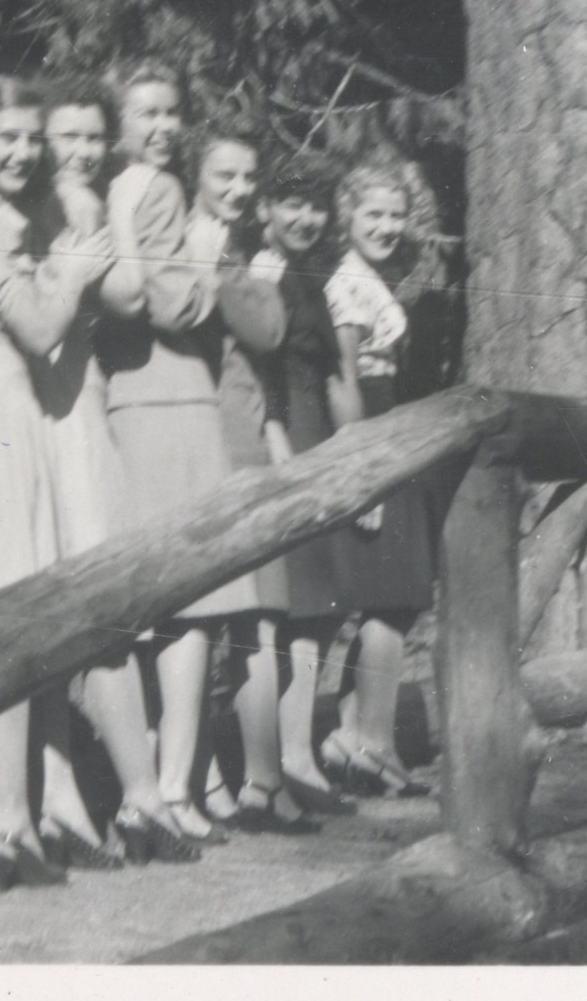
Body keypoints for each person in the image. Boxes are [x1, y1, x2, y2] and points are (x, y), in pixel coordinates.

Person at [33, 78, 202, 866]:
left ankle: (122, 795)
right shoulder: (65, 205)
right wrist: (121, 224)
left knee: (93, 607)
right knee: (59, 606)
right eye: (66, 137)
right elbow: (133, 293)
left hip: (72, 406)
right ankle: (79, 794)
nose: (81, 151)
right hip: (39, 414)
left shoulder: (88, 201)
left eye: (92, 138)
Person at [0, 75, 116, 890]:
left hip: (24, 426)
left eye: (29, 137)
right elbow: (42, 327)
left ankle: (50, 804)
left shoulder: (10, 215)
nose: (20, 152)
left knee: (41, 621)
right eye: (4, 139)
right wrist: (77, 267)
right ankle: (6, 816)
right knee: (13, 624)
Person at [95, 59, 234, 845]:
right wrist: (206, 263)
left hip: (136, 395)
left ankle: (161, 785)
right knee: (193, 602)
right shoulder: (160, 192)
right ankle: (170, 787)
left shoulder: (123, 192)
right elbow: (170, 302)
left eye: (169, 112)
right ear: (120, 124)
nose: (161, 127)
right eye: (144, 112)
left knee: (165, 603)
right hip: (169, 397)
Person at [186, 128, 315, 835]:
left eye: (245, 178)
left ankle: (251, 778)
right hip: (211, 439)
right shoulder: (202, 244)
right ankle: (232, 778)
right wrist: (247, 281)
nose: (237, 190)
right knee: (227, 620)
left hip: (244, 432)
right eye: (222, 175)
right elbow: (264, 331)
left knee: (254, 619)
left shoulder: (229, 250)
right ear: (195, 175)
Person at [245, 151, 359, 819]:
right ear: (264, 209)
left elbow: (331, 374)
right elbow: (257, 377)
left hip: (315, 437)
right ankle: (269, 763)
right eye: (289, 202)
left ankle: (298, 753)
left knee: (314, 609)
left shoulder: (312, 277)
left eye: (315, 205)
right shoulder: (262, 275)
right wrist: (280, 455)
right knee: (278, 608)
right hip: (280, 441)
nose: (304, 217)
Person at [320, 158, 437, 798]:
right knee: (392, 597)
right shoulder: (347, 283)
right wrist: (361, 471)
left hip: (390, 421)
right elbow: (342, 375)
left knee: (395, 596)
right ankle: (373, 743)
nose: (388, 226)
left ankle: (356, 738)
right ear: (349, 216)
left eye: (397, 215)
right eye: (374, 214)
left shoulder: (375, 277)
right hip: (369, 427)